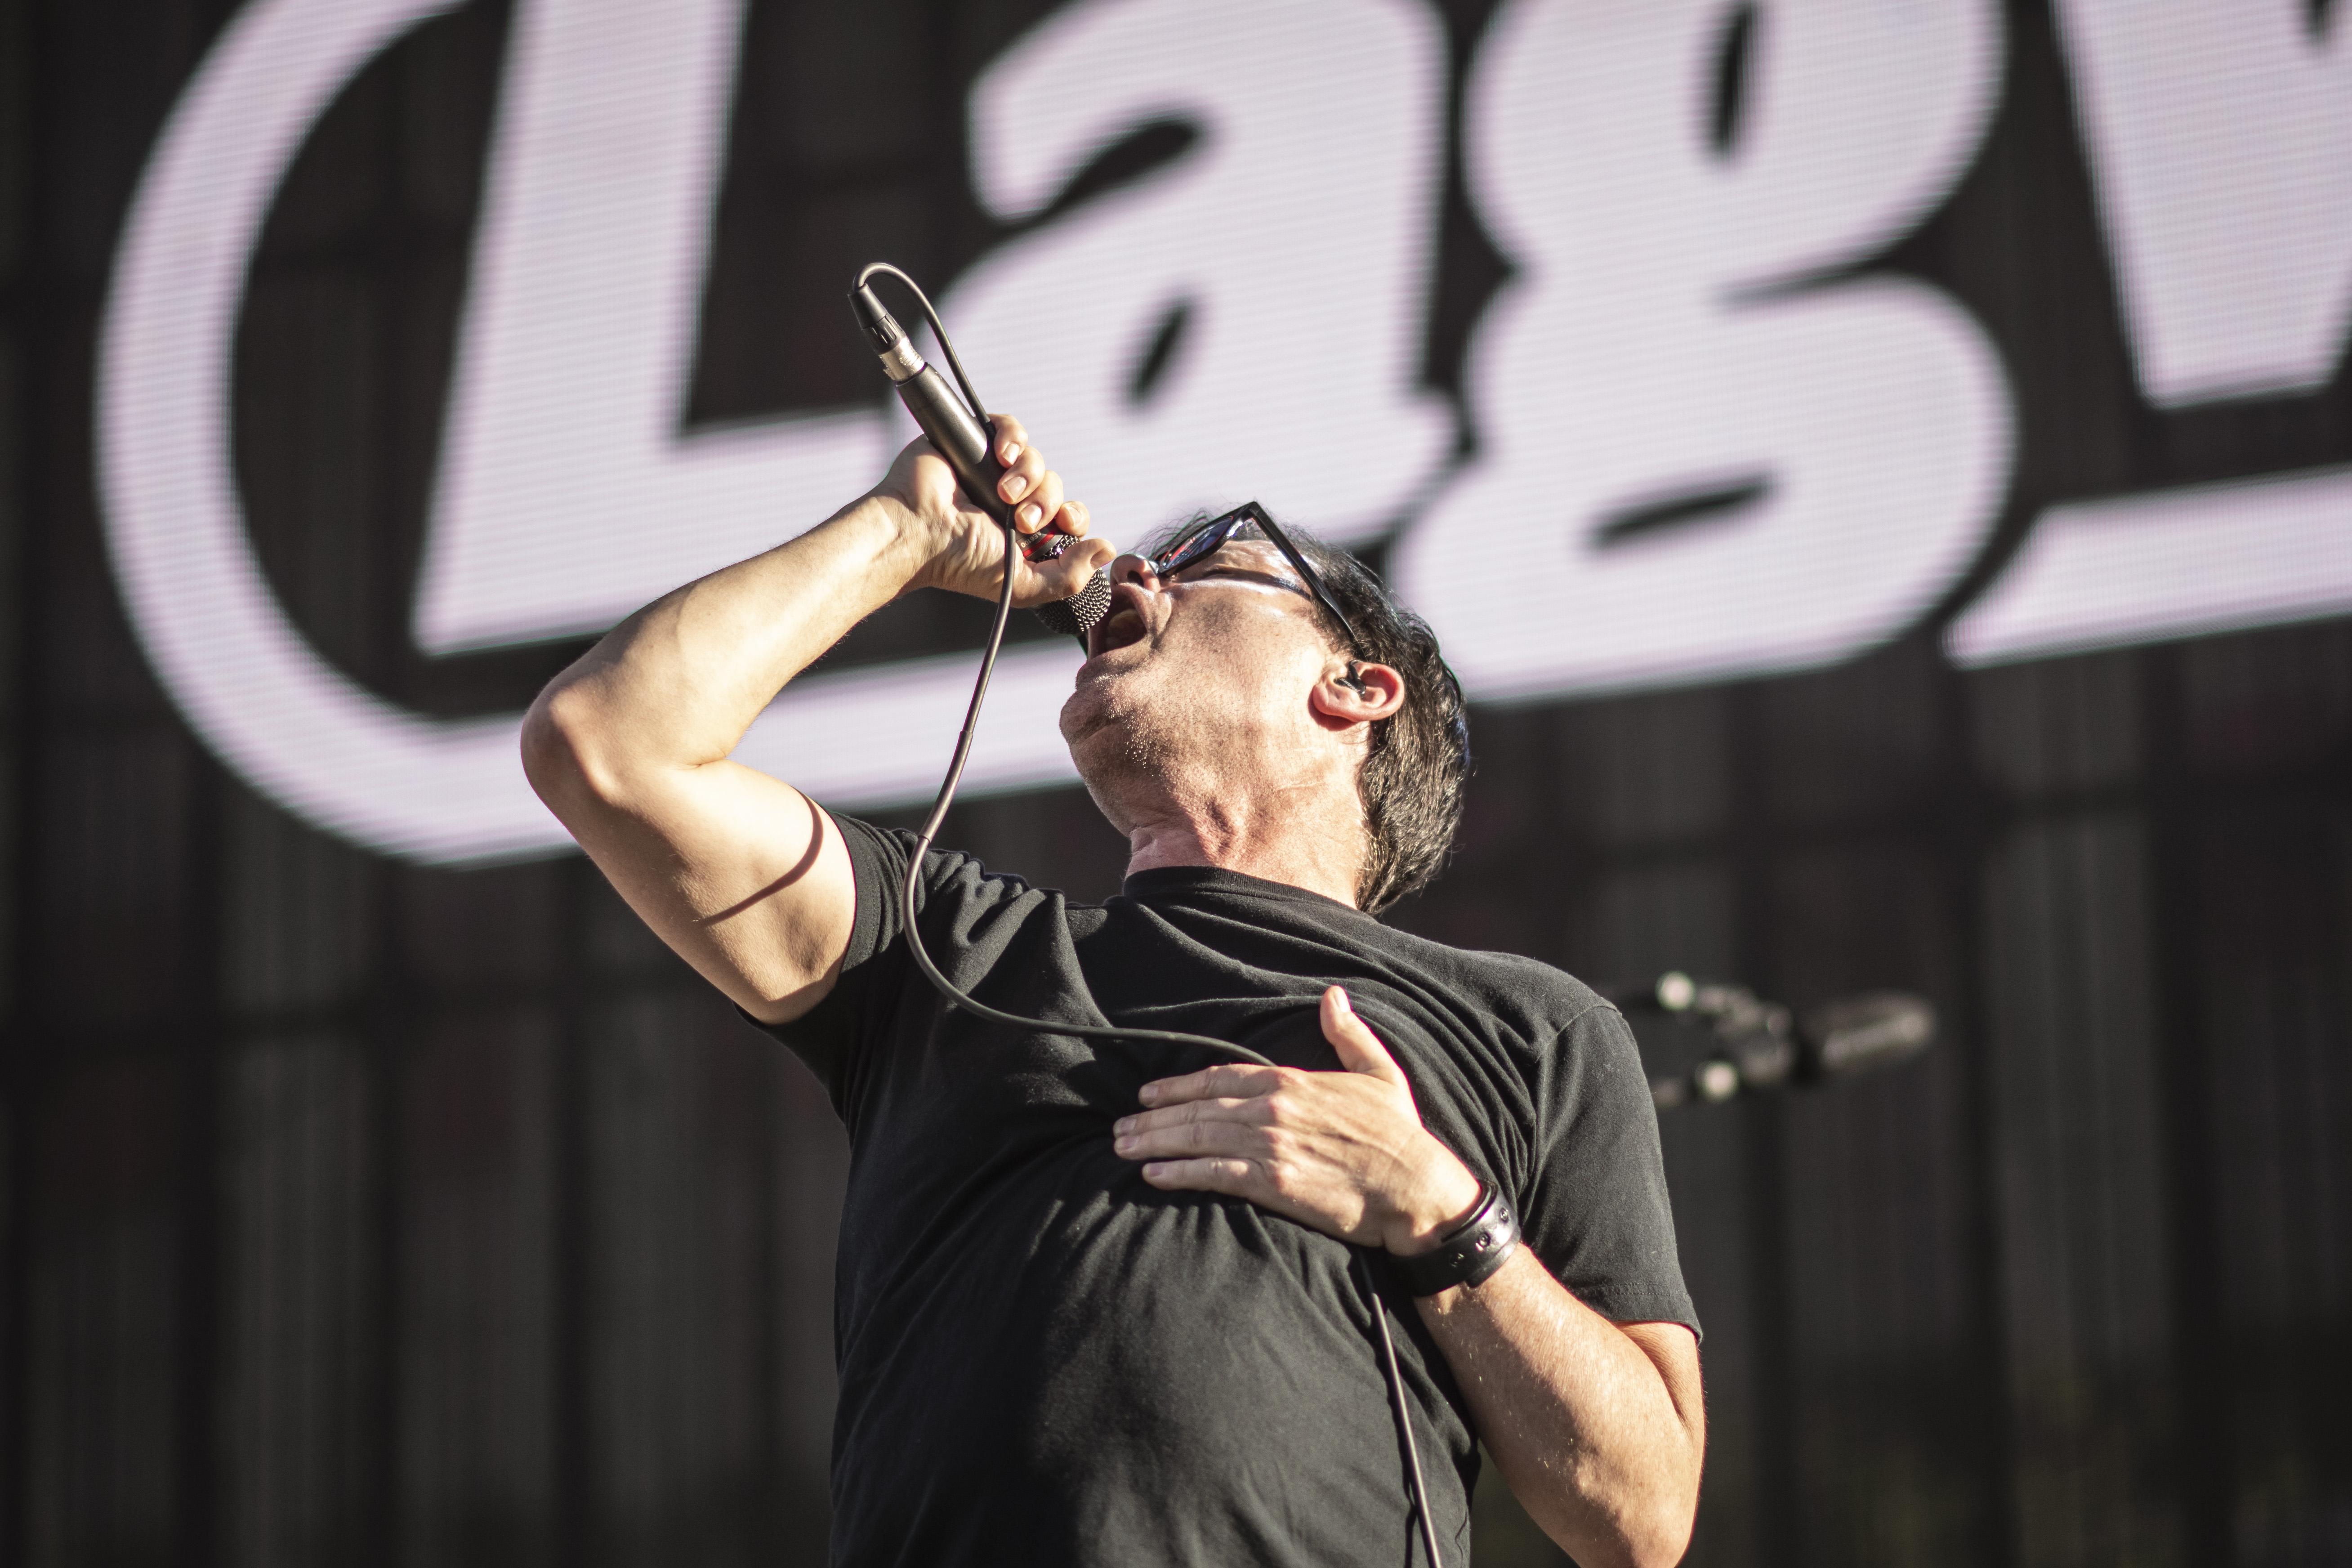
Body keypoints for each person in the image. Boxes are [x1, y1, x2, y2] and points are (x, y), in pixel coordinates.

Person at [521, 417, 1705, 1567]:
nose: (1139, 572)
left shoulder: (1533, 1031)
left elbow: (1642, 1518)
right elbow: (609, 744)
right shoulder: (944, 950)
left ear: (1356, 688)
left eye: (1213, 560)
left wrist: (1435, 1208)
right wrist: (902, 531)